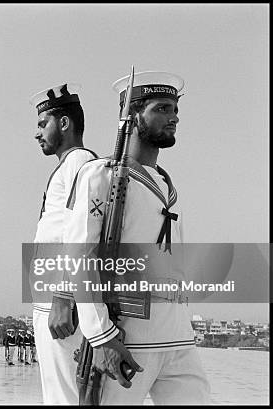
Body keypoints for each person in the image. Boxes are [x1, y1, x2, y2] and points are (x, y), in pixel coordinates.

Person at [60, 71, 210, 405]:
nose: (173, 117)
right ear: (131, 116)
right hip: (128, 334)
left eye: (174, 109)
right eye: (161, 108)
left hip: (176, 334)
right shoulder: (101, 176)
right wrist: (100, 335)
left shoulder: (168, 185)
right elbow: (80, 258)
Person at [28, 82, 97, 404]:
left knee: (65, 396)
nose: (37, 133)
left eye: (43, 124)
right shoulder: (69, 165)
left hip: (60, 298)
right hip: (50, 294)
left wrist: (63, 296)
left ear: (65, 123)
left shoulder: (80, 163)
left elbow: (80, 232)